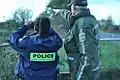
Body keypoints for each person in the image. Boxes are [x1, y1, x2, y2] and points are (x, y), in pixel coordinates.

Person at [56, 0, 100, 80]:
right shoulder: (87, 18)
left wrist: (80, 77)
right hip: (88, 71)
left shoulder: (83, 25)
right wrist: (60, 11)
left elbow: (88, 56)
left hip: (84, 73)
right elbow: (70, 16)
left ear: (74, 7)